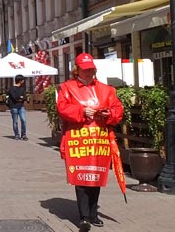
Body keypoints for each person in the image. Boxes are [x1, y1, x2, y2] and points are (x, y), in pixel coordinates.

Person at [56, 53, 124, 231]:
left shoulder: (107, 89)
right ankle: (84, 216)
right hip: (78, 140)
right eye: (86, 70)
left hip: (99, 139)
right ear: (77, 70)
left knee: (97, 175)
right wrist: (81, 111)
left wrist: (109, 114)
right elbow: (62, 108)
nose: (89, 73)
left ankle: (93, 213)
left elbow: (117, 108)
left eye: (92, 70)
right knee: (81, 177)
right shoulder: (67, 88)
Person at [8, 74, 29, 140]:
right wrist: (20, 97)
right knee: (15, 121)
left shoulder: (22, 88)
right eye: (23, 80)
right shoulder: (12, 88)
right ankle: (17, 134)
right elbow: (14, 97)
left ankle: (23, 134)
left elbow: (25, 97)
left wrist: (21, 98)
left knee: (23, 120)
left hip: (21, 107)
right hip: (14, 107)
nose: (24, 81)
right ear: (20, 81)